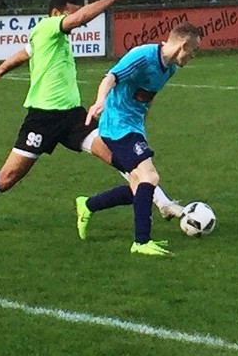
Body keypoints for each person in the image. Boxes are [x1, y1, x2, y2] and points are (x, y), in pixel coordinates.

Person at [0, 0, 183, 233]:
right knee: (7, 178)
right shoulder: (48, 27)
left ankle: (163, 203)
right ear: (55, 13)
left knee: (121, 156)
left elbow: (25, 53)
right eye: (71, 14)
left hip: (73, 117)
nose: (77, 22)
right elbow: (83, 17)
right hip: (42, 119)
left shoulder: (50, 38)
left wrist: (0, 70)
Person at [75, 22, 204, 257]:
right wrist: (100, 101)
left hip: (133, 127)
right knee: (150, 176)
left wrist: (143, 124)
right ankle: (141, 242)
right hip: (117, 126)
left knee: (139, 187)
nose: (193, 56)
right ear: (183, 45)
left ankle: (87, 205)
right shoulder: (143, 56)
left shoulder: (170, 69)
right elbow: (111, 77)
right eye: (193, 50)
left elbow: (147, 98)